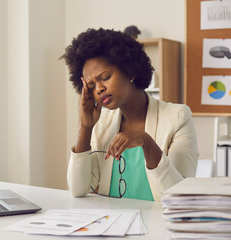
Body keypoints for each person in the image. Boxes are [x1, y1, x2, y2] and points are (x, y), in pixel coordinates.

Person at [61, 28, 199, 202]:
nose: (99, 89)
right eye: (91, 85)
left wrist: (147, 142)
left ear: (130, 71)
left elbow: (180, 197)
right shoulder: (102, 123)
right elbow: (78, 189)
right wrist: (86, 128)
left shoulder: (178, 117)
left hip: (158, 225)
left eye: (105, 77)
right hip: (112, 224)